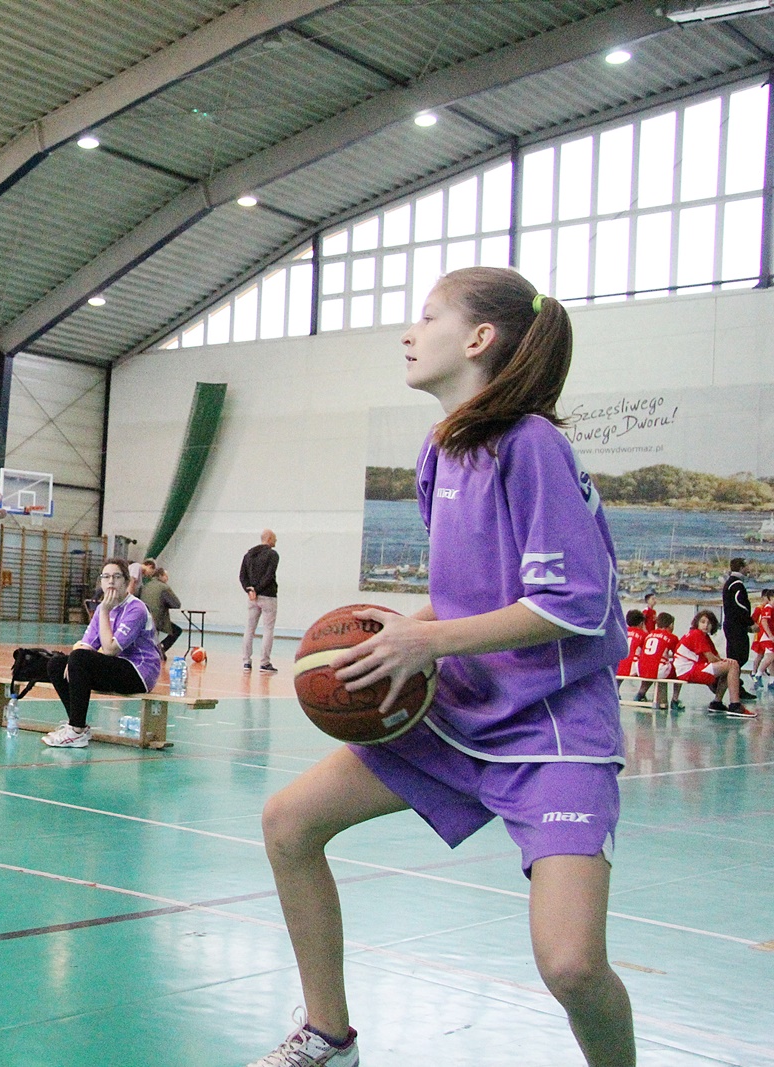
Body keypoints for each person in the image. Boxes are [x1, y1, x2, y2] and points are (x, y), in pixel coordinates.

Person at [247, 269, 636, 1067]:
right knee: (289, 822)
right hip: (460, 712)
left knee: (571, 964)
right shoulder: (442, 450)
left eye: (428, 317)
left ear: (479, 338)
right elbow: (464, 596)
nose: (409, 332)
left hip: (552, 731)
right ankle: (328, 1034)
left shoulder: (532, 444)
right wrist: (392, 635)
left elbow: (574, 605)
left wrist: (426, 643)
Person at [41, 557, 161, 749]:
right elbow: (86, 644)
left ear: (127, 582)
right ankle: (78, 726)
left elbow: (111, 649)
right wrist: (71, 661)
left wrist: (104, 611)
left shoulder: (136, 609)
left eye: (117, 577)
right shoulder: (101, 610)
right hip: (117, 668)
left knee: (78, 658)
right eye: (106, 577)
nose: (111, 581)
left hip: (139, 672)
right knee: (56, 664)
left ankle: (76, 731)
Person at [672, 610, 752, 718]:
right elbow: (711, 659)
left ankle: (717, 703)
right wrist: (727, 662)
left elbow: (716, 657)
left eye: (709, 623)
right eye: (703, 622)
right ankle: (735, 705)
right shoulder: (696, 634)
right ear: (697, 623)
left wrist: (726, 661)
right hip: (688, 670)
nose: (706, 625)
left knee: (731, 665)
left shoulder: (705, 637)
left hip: (691, 668)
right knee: (733, 665)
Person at [239, 529, 279, 672]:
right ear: (269, 539)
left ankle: (246, 662)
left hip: (252, 598)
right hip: (268, 596)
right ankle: (264, 662)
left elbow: (242, 576)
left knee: (249, 628)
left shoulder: (248, 555)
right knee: (268, 629)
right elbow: (269, 575)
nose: (276, 540)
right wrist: (257, 589)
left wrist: (250, 590)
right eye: (274, 538)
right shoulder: (273, 555)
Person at [634, 612, 682, 712]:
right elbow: (678, 655)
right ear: (671, 625)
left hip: (640, 668)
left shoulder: (649, 635)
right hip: (658, 670)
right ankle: (675, 700)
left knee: (651, 665)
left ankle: (641, 693)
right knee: (680, 668)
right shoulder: (672, 637)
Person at [140, 566, 183, 654]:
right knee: (177, 630)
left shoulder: (146, 585)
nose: (167, 578)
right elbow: (176, 604)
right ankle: (161, 649)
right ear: (160, 576)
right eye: (166, 576)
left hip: (143, 618)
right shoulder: (164, 588)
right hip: (157, 619)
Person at [721, 558, 752, 671]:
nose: (748, 569)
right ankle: (731, 678)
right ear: (741, 568)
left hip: (732, 625)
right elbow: (739, 605)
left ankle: (733, 679)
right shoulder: (736, 584)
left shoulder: (730, 582)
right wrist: (750, 622)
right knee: (740, 656)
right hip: (736, 626)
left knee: (734, 657)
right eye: (746, 566)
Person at [615, 609, 645, 697]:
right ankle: (641, 693)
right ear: (641, 623)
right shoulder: (643, 635)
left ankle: (616, 692)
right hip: (632, 668)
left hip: (618, 665)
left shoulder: (622, 632)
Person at [750, 589, 774, 695]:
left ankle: (772, 681)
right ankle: (757, 674)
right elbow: (764, 622)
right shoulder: (767, 608)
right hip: (766, 637)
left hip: (769, 636)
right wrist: (770, 635)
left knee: (772, 659)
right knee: (769, 657)